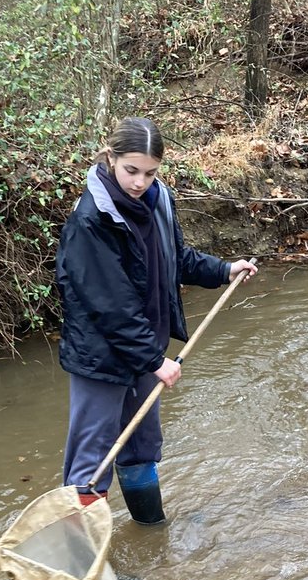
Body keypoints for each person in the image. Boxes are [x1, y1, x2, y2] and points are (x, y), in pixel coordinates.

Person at [55, 116, 257, 524]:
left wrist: (222, 270)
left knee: (140, 447)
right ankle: (79, 551)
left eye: (149, 173)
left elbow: (175, 258)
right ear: (111, 158)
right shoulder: (91, 219)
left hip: (147, 349)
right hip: (102, 357)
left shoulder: (158, 199)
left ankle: (151, 532)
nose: (139, 182)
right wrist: (153, 359)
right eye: (131, 170)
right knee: (92, 461)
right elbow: (109, 305)